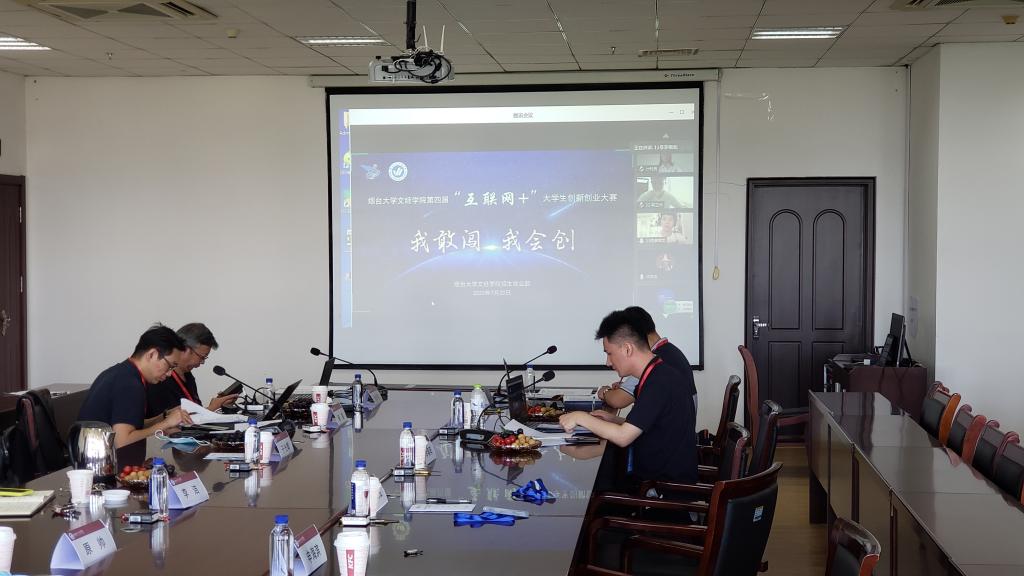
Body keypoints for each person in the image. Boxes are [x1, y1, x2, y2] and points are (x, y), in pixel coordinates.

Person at [559, 310, 697, 484]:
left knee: (582, 478)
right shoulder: (657, 373)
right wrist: (613, 419)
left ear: (627, 349)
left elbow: (623, 437)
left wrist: (581, 417)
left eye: (609, 353)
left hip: (660, 489)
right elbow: (653, 425)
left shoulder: (659, 381)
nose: (608, 362)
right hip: (652, 473)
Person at [78, 325, 193, 448]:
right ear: (152, 354)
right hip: (97, 455)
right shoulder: (130, 385)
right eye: (170, 366)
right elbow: (122, 442)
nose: (170, 374)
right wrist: (165, 424)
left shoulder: (123, 372)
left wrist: (164, 417)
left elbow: (131, 425)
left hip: (90, 450)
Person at [598, 306, 698, 414]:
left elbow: (617, 400)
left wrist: (604, 391)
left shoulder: (653, 363)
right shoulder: (671, 351)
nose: (608, 362)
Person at [146, 323, 238, 418]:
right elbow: (168, 421)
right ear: (185, 349)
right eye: (202, 357)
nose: (202, 362)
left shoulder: (188, 376)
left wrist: (216, 406)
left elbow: (192, 415)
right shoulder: (160, 378)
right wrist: (211, 409)